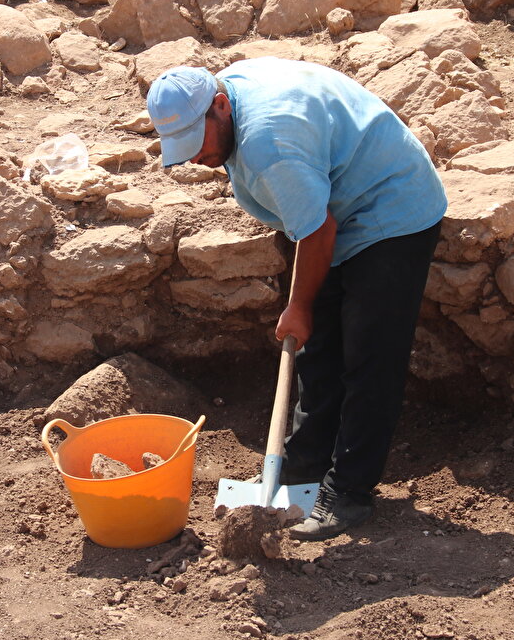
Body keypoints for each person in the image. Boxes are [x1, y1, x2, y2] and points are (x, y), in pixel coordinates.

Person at [147, 57, 447, 541]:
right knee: (318, 347)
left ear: (219, 106)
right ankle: (301, 470)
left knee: (370, 358)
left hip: (391, 209)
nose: (192, 159)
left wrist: (300, 305)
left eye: (194, 143)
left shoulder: (269, 144)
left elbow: (318, 230)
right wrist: (307, 311)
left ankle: (348, 493)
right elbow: (313, 224)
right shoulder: (231, 99)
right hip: (338, 211)